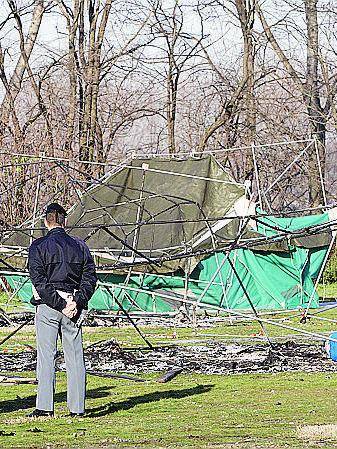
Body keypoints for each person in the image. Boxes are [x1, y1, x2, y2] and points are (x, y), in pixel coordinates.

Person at [28, 203, 97, 418]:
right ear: (64, 221)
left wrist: (58, 303)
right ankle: (77, 408)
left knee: (46, 356)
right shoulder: (80, 246)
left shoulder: (38, 247)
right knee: (75, 357)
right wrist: (77, 301)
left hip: (49, 306)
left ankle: (45, 407)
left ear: (46, 221)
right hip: (73, 304)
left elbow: (39, 282)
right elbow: (90, 278)